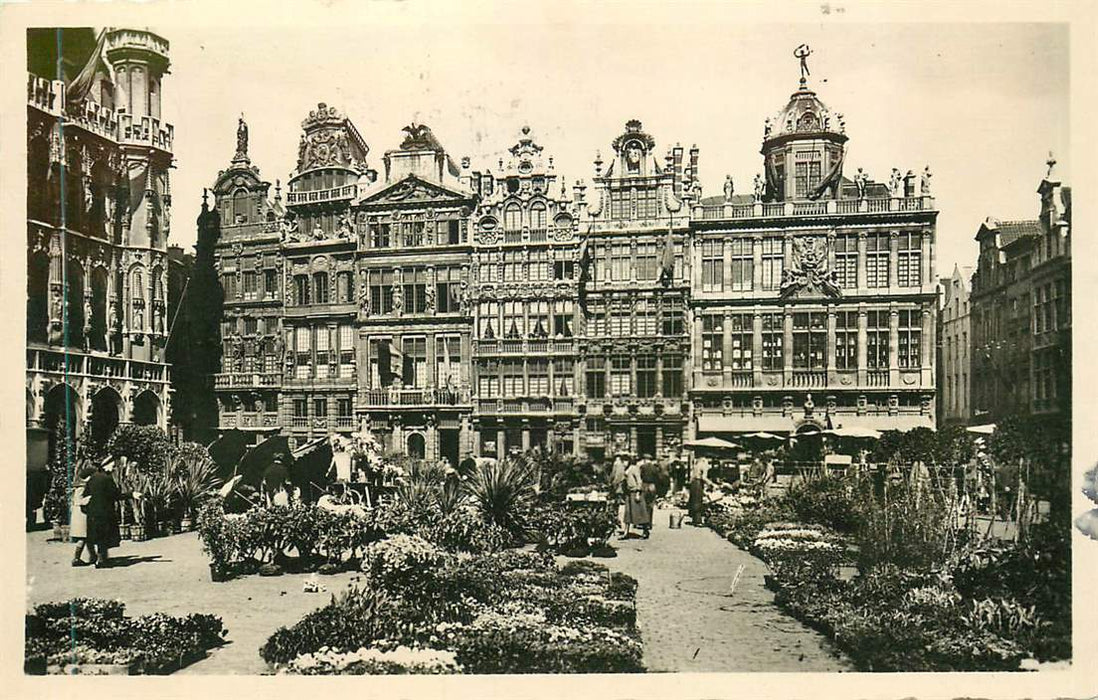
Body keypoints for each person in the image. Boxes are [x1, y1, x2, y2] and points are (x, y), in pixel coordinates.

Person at [84, 456, 122, 568]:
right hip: (105, 512)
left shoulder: (93, 478)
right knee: (104, 536)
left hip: (93, 512)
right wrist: (131, 494)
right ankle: (101, 560)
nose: (114, 468)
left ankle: (98, 559)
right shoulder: (107, 479)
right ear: (106, 465)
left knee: (98, 536)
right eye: (112, 466)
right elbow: (116, 495)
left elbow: (86, 495)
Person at [70, 465, 95, 567]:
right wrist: (91, 498)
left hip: (80, 514)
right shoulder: (82, 487)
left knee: (87, 537)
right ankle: (76, 558)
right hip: (82, 515)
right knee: (83, 537)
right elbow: (79, 501)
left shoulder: (79, 486)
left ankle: (92, 556)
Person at [624, 457, 651, 538]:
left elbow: (639, 481)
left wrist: (638, 493)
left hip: (635, 492)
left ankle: (645, 531)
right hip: (629, 492)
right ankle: (626, 532)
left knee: (640, 513)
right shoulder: (628, 469)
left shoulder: (635, 469)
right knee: (628, 513)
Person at [688, 453, 714, 526]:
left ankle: (694, 519)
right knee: (698, 501)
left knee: (694, 500)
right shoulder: (704, 464)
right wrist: (711, 484)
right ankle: (698, 521)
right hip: (698, 483)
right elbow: (704, 477)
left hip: (693, 482)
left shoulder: (697, 463)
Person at [639, 456, 660, 538]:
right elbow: (658, 478)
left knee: (644, 506)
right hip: (652, 486)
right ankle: (649, 523)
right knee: (650, 505)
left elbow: (641, 476)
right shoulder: (654, 468)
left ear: (645, 459)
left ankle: (644, 523)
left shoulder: (642, 467)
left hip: (645, 485)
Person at [609, 455, 628, 538]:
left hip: (619, 488)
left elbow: (615, 476)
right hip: (622, 488)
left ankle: (619, 524)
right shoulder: (623, 465)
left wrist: (611, 484)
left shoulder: (617, 464)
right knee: (620, 505)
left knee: (618, 506)